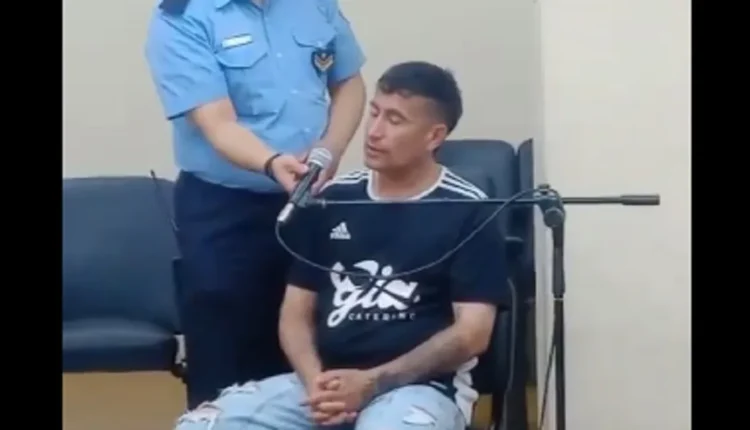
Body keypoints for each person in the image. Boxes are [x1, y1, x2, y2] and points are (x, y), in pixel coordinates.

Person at [173, 61, 509, 430]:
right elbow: (295, 315)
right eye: (374, 113)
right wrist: (316, 383)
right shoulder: (333, 199)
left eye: (395, 120)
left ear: (434, 136)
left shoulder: (469, 210)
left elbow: (472, 334)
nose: (374, 132)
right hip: (323, 383)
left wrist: (372, 383)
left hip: (419, 387)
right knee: (201, 425)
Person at [143, 0, 367, 409]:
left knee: (315, 344)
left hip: (309, 200)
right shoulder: (183, 16)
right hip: (225, 211)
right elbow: (216, 122)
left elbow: (349, 82)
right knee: (228, 356)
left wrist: (331, 149)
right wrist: (271, 162)